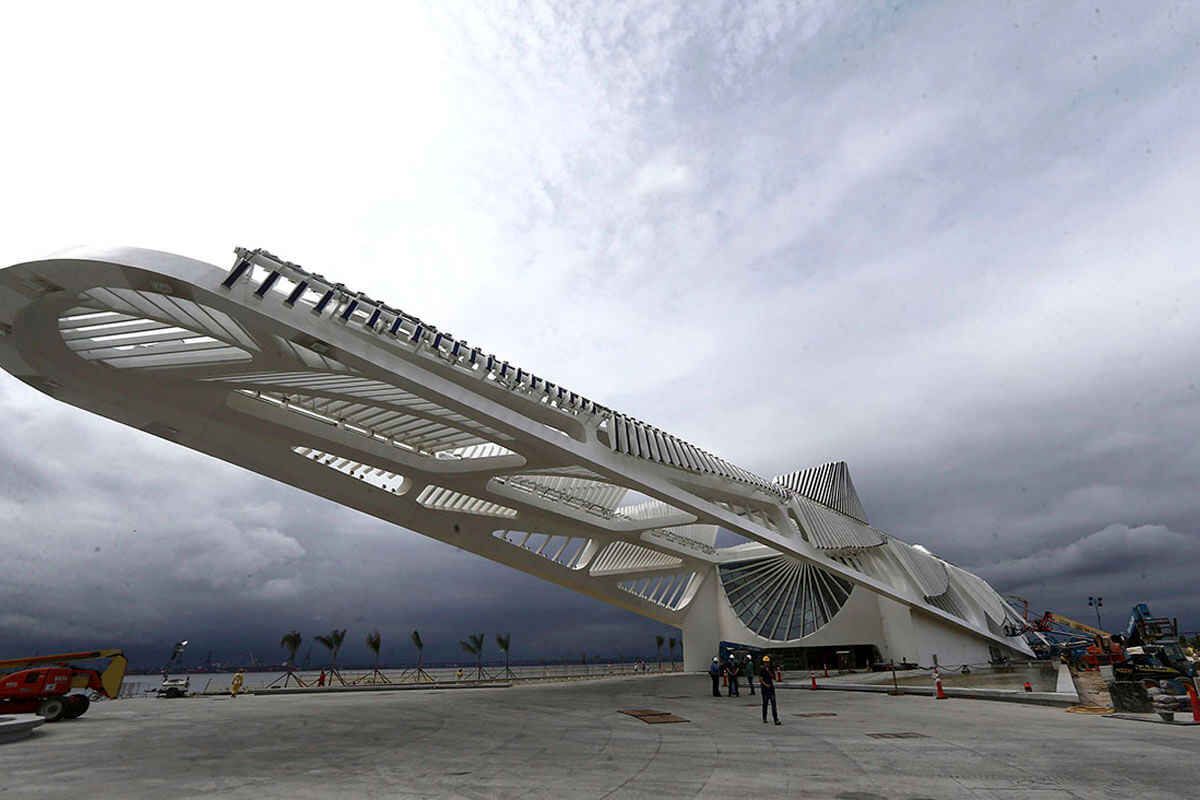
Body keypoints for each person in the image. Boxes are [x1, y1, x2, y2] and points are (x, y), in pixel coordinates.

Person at [760, 655, 780, 724]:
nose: (766, 664)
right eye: (765, 662)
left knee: (773, 704)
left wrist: (769, 672)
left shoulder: (770, 669)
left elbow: (774, 678)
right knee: (765, 704)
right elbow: (761, 680)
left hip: (771, 689)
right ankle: (764, 717)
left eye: (767, 662)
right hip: (764, 690)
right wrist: (766, 685)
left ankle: (776, 719)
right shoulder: (762, 670)